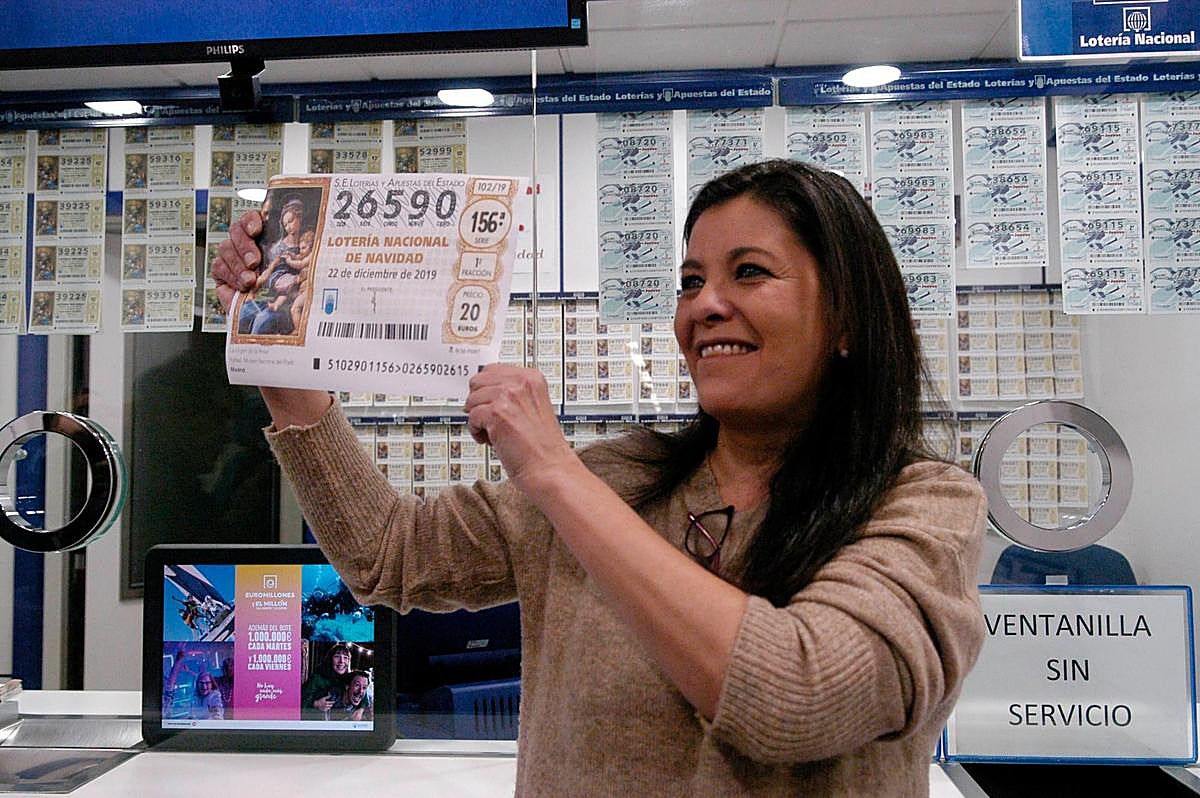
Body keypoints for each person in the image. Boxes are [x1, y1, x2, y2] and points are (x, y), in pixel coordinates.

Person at [211, 159, 987, 796]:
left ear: (847, 316)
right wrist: (274, 342)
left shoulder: (923, 504)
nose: (705, 306)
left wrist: (555, 474)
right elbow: (390, 552)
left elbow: (797, 695)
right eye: (691, 282)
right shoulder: (624, 474)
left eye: (749, 273)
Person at [301, 641, 352, 718]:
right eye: (337, 656)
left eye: (345, 658)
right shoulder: (317, 678)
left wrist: (361, 709)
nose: (341, 661)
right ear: (330, 659)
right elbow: (299, 701)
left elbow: (362, 694)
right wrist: (316, 704)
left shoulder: (349, 679)